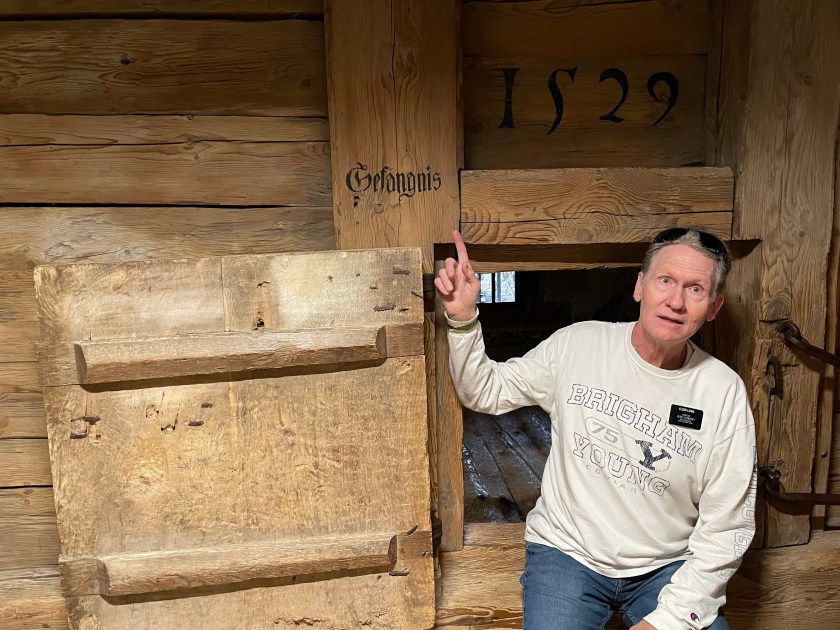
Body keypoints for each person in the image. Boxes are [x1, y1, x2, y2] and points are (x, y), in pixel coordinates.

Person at [435, 228, 757, 630]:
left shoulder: (722, 392)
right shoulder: (579, 346)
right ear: (640, 285)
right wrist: (463, 319)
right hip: (568, 553)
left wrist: (669, 619)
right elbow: (485, 391)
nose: (675, 301)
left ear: (713, 306)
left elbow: (728, 526)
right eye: (665, 281)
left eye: (695, 289)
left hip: (666, 564)